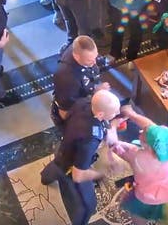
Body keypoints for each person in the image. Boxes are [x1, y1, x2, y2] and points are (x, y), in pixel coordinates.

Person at [40, 90, 121, 225]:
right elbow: (78, 176)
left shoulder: (84, 102)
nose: (116, 114)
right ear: (100, 114)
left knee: (56, 165)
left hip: (65, 147)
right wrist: (101, 173)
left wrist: (113, 126)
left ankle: (44, 178)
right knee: (88, 206)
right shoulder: (90, 140)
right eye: (114, 112)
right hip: (71, 165)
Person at [110, 105, 168, 225]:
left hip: (149, 197)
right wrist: (133, 114)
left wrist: (112, 126)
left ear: (149, 146)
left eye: (144, 134)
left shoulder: (138, 158)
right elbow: (153, 128)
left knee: (138, 216)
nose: (141, 131)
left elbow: (116, 147)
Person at [52, 35, 110, 131]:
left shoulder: (79, 48)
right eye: (89, 60)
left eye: (95, 56)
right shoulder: (65, 78)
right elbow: (67, 109)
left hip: (86, 92)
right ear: (76, 56)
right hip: (75, 113)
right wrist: (95, 93)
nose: (95, 62)